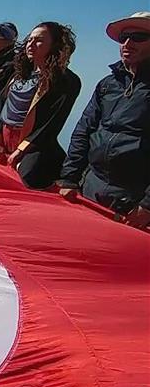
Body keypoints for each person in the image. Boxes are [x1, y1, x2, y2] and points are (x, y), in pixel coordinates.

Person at [57, 12, 150, 229]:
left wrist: (147, 206)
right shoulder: (108, 84)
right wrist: (69, 178)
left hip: (134, 202)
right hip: (91, 189)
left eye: (138, 37)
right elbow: (84, 130)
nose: (128, 43)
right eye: (124, 37)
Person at [0, 22, 81, 190]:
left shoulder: (66, 81)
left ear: (55, 45)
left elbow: (50, 124)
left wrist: (20, 151)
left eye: (39, 40)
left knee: (25, 181)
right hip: (4, 141)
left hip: (35, 147)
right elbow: (0, 107)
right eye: (30, 40)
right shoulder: (19, 75)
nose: (31, 44)